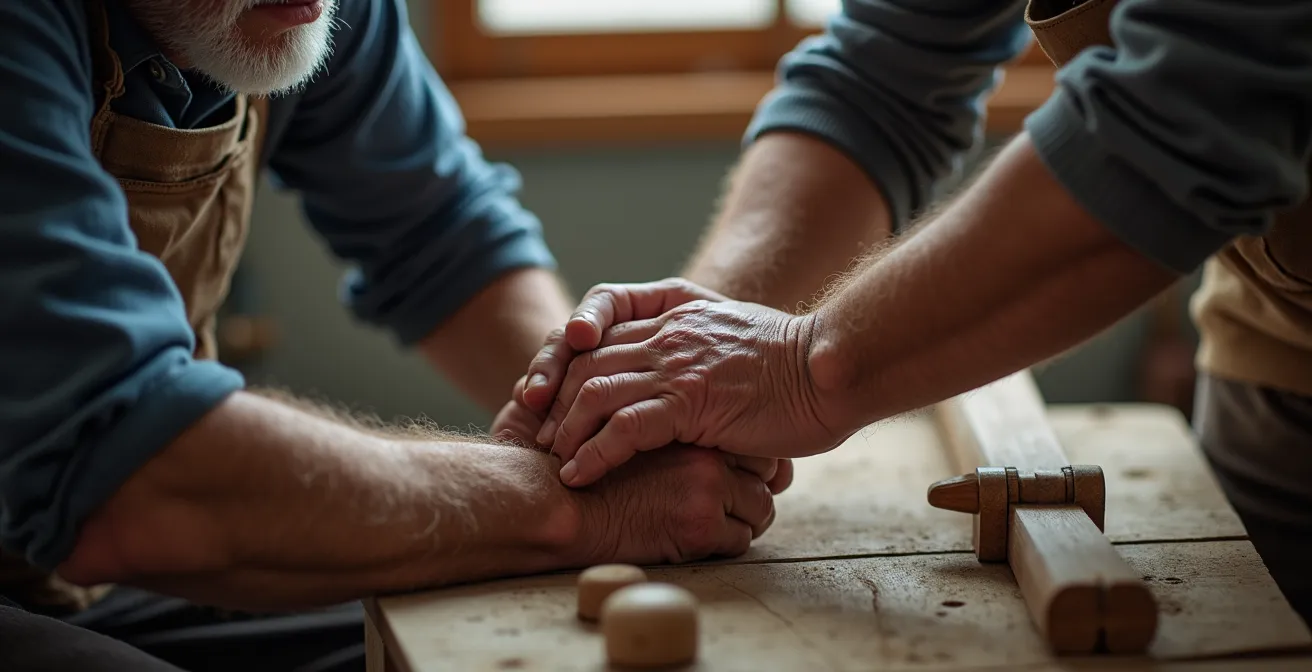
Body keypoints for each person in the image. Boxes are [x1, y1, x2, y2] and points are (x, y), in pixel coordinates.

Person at [0, 0, 788, 669]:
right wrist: (578, 507)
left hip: (85, 561)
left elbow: (439, 236)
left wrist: (607, 415)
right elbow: (125, 476)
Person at [521, 0, 1312, 623]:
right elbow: (879, 82)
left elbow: (1191, 115)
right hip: (1275, 336)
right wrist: (693, 361)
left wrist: (803, 366)